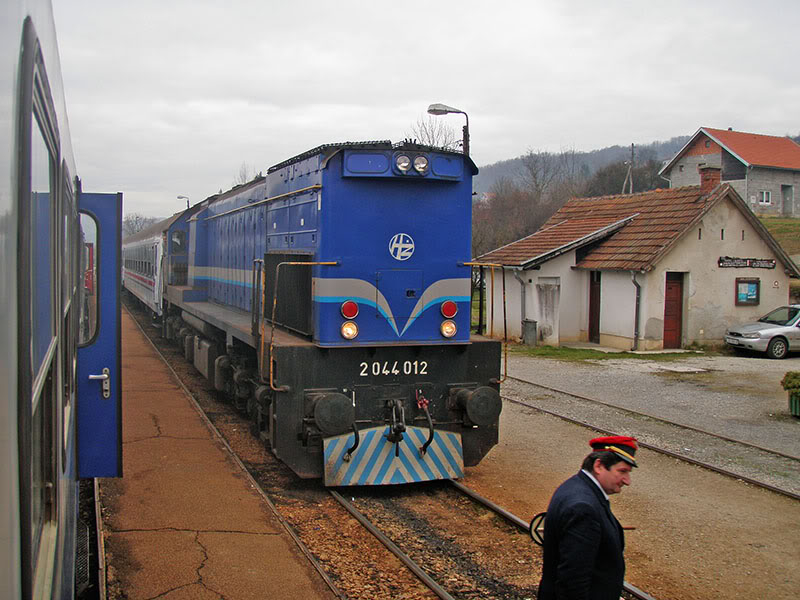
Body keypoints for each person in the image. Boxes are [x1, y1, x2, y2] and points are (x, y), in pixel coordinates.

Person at [537, 435, 638, 600]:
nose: (627, 481)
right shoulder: (583, 509)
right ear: (598, 465)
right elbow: (572, 582)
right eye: (622, 471)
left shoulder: (575, 486)